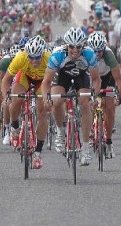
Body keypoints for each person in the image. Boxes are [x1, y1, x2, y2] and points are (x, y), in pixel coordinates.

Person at [41, 28, 100, 166]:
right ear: (66, 45)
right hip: (62, 77)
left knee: (85, 104)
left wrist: (94, 97)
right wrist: (46, 98)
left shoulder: (89, 54)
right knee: (56, 100)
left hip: (81, 77)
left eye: (78, 47)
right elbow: (46, 82)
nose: (75, 50)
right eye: (72, 47)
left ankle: (85, 149)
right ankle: (60, 132)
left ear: (83, 46)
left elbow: (96, 80)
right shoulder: (57, 55)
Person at [1, 36, 50, 169]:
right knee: (15, 100)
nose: (34, 61)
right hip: (25, 78)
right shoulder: (20, 57)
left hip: (42, 82)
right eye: (31, 57)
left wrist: (48, 98)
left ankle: (38, 153)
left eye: (37, 57)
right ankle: (15, 127)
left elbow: (54, 80)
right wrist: (6, 95)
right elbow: (5, 80)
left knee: (42, 113)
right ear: (26, 55)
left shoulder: (49, 58)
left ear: (42, 54)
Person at [87, 32, 121, 157]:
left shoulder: (109, 55)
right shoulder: (85, 54)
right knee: (89, 104)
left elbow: (118, 79)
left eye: (100, 51)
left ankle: (108, 140)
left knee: (109, 108)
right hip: (92, 78)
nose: (97, 54)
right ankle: (91, 129)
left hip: (108, 78)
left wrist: (118, 95)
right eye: (95, 51)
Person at [0, 44, 20, 145]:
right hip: (9, 83)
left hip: (20, 83)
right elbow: (2, 79)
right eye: (13, 58)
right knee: (6, 104)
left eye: (16, 58)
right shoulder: (5, 62)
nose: (15, 60)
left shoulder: (23, 60)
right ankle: (7, 131)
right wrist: (4, 95)